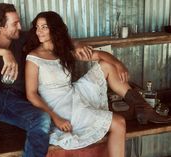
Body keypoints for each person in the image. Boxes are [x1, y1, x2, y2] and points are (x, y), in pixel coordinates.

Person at [24, 11, 171, 157]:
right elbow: (31, 94)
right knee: (118, 122)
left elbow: (100, 55)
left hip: (73, 94)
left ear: (54, 29)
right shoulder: (34, 58)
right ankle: (143, 108)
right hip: (58, 106)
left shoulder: (63, 51)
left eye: (44, 27)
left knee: (107, 65)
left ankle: (142, 107)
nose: (39, 31)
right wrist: (55, 117)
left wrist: (119, 64)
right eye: (37, 27)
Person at [0, 3, 99, 157]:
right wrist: (4, 53)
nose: (20, 26)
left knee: (43, 119)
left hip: (16, 103)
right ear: (1, 27)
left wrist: (77, 44)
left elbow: (56, 35)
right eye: (15, 23)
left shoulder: (22, 39)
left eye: (19, 21)